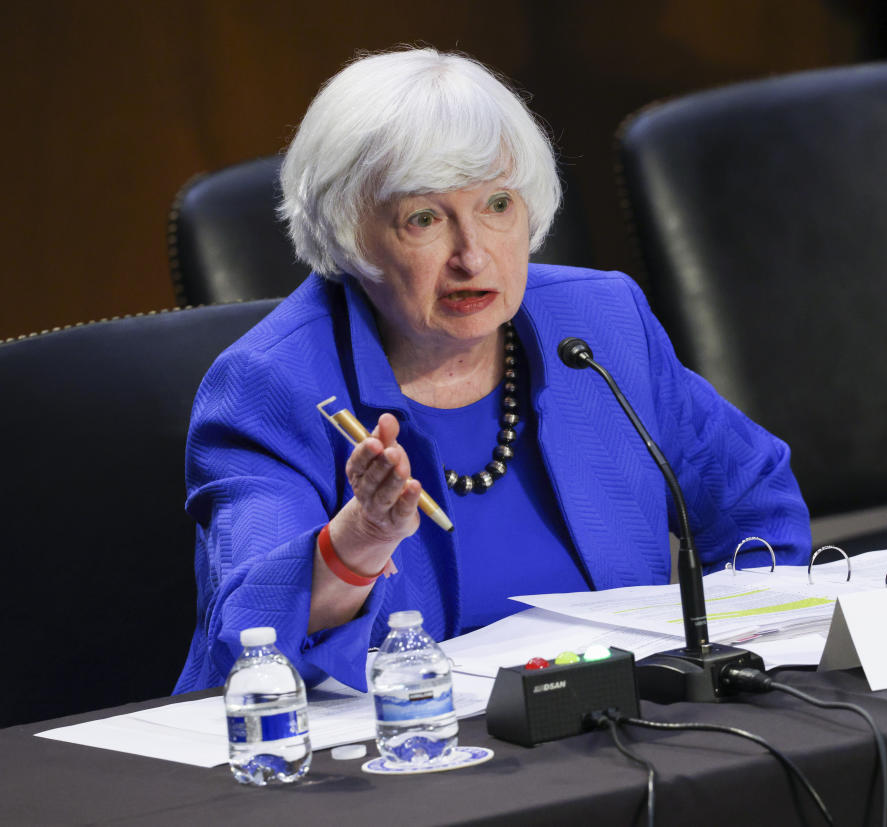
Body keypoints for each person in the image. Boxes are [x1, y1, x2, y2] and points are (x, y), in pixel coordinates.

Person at [174, 47, 810, 694]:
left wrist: (731, 658)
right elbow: (247, 638)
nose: (473, 255)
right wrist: (359, 543)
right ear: (346, 234)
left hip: (622, 737)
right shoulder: (269, 386)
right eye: (424, 219)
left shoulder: (600, 322)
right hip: (394, 767)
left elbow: (752, 498)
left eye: (498, 205)